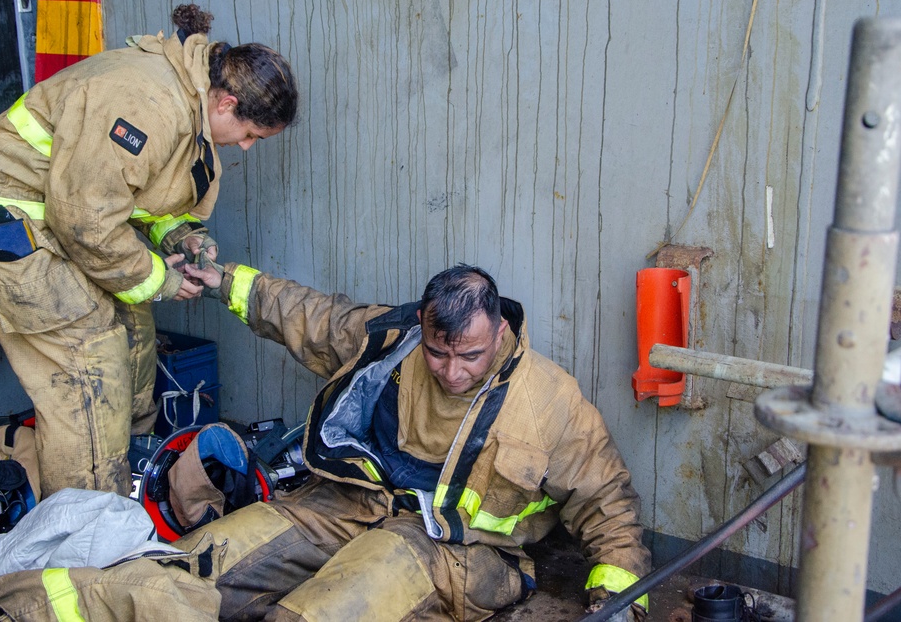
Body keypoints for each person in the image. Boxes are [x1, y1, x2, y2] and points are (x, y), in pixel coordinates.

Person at [0, 4, 298, 499]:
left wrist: (180, 236)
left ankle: (131, 470)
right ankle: (86, 525)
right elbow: (88, 221)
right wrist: (165, 280)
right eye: (249, 136)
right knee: (88, 367)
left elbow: (132, 190)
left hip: (58, 215)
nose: (244, 148)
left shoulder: (187, 93)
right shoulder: (149, 102)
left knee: (133, 327)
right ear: (227, 103)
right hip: (11, 223)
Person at [178, 261, 652, 621]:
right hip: (351, 505)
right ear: (423, 321)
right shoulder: (392, 341)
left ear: (500, 330)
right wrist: (225, 282)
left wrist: (618, 604)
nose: (451, 371)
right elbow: (309, 317)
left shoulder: (550, 399)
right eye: (437, 352)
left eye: (470, 355)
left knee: (314, 614)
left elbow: (607, 502)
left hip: (456, 549)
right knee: (183, 575)